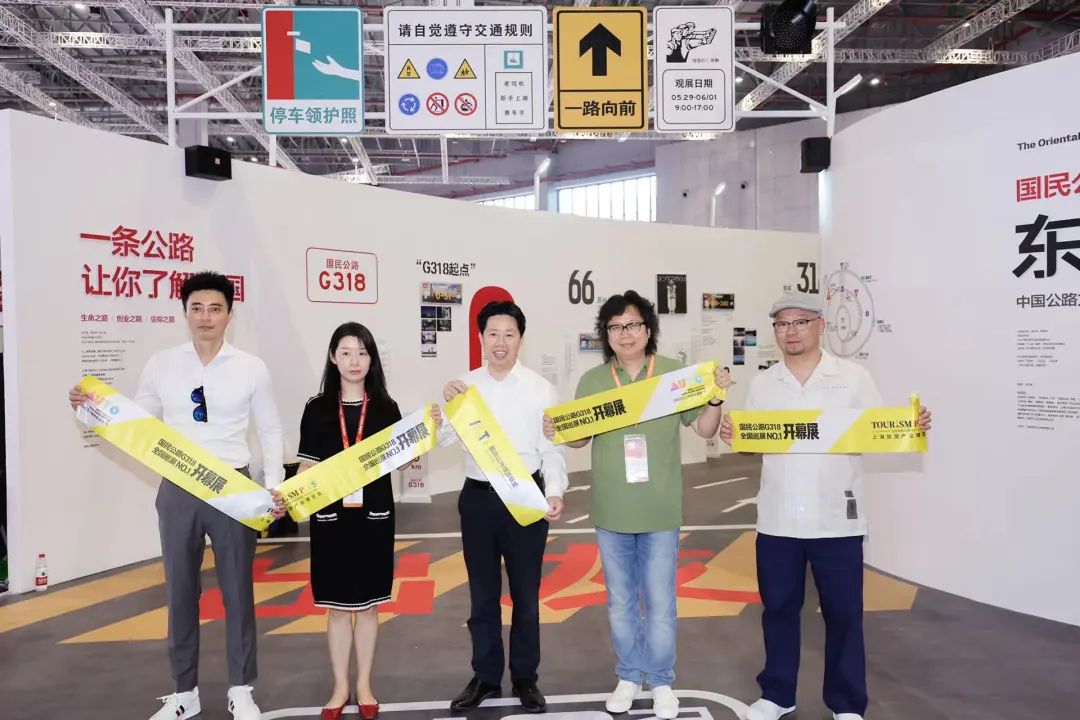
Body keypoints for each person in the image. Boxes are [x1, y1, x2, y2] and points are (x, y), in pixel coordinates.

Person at [68, 271, 287, 720]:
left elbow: (269, 429)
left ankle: (241, 688)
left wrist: (273, 486)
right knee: (181, 592)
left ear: (229, 315)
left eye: (215, 308)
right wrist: (93, 408)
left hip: (233, 489)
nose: (206, 317)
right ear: (185, 313)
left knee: (238, 593)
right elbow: (138, 420)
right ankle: (184, 693)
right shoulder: (162, 363)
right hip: (178, 488)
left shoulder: (251, 367)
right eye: (196, 308)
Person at [719, 292, 933, 720]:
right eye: (782, 324)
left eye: (800, 322)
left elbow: (879, 429)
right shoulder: (764, 384)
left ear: (821, 325)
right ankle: (777, 695)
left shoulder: (853, 378)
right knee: (778, 611)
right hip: (778, 520)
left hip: (838, 519)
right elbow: (752, 443)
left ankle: (847, 703)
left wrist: (909, 427)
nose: (790, 331)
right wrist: (735, 436)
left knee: (844, 614)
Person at [545, 290, 730, 720]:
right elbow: (579, 439)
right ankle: (629, 675)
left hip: (660, 510)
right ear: (605, 334)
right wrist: (559, 428)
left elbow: (705, 429)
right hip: (611, 510)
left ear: (648, 330)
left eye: (631, 325)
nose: (624, 334)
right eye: (614, 327)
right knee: (620, 601)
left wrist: (715, 398)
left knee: (661, 602)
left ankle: (661, 680)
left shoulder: (672, 375)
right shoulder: (594, 381)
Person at [297, 322, 432, 720]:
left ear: (372, 359)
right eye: (346, 352)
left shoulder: (386, 407)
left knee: (370, 607)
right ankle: (340, 686)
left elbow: (403, 461)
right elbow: (307, 465)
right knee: (338, 609)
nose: (354, 361)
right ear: (332, 357)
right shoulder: (317, 408)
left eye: (362, 352)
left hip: (374, 519)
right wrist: (291, 491)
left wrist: (420, 442)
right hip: (331, 520)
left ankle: (364, 685)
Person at [440, 301, 567, 714]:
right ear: (480, 337)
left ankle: (526, 677)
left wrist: (555, 491)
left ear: (521, 339)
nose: (500, 342)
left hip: (525, 496)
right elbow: (441, 438)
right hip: (478, 498)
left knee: (526, 596)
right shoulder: (463, 387)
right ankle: (486, 676)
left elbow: (552, 448)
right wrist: (443, 408)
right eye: (492, 333)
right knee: (482, 595)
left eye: (509, 334)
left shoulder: (540, 388)